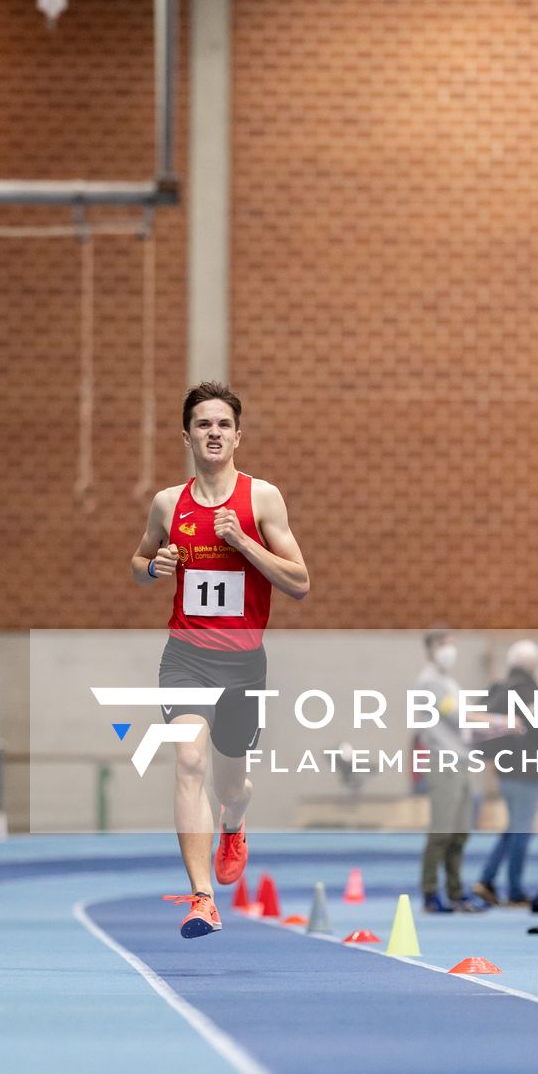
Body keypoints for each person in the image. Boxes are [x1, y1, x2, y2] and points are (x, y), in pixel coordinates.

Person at [131, 381, 309, 938]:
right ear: (186, 435)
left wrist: (245, 544)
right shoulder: (168, 502)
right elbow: (139, 559)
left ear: (238, 436)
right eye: (203, 424)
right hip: (185, 657)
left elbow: (300, 582)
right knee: (188, 761)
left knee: (231, 784)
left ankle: (235, 821)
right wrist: (152, 567)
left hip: (243, 665)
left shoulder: (262, 499)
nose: (213, 433)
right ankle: (202, 897)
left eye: (223, 425)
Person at [473, 640, 538, 907]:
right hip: (526, 770)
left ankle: (487, 879)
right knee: (522, 829)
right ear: (534, 664)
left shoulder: (499, 688)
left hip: (505, 768)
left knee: (514, 827)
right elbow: (536, 728)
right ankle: (515, 889)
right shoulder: (530, 691)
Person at [414, 628, 486, 913]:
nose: (449, 650)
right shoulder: (429, 683)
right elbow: (458, 717)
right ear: (431, 648)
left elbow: (468, 722)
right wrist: (502, 721)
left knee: (460, 831)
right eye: (444, 644)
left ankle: (456, 891)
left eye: (452, 644)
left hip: (461, 759)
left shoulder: (450, 682)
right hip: (442, 759)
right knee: (442, 830)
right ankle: (431, 893)